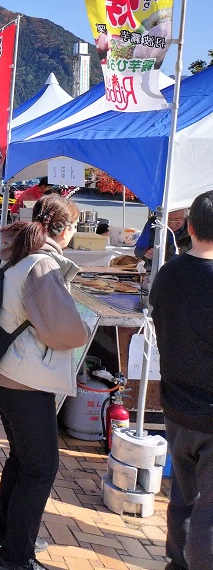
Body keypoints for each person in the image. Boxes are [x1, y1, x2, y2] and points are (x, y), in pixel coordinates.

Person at [0, 195, 86, 570]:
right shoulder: (43, 264)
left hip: (6, 371)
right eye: (74, 226)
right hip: (25, 378)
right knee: (40, 468)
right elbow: (66, 330)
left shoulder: (18, 252)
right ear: (65, 229)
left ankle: (5, 533)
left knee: (22, 458)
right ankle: (15, 556)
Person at [150, 191, 213, 570]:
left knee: (184, 496)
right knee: (209, 509)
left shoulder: (168, 273)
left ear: (188, 227)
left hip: (175, 404)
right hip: (209, 412)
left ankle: (177, 561)